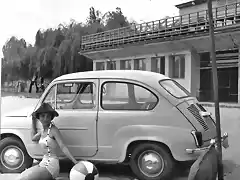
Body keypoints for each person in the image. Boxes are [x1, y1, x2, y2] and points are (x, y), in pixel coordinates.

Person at [16, 103, 78, 180]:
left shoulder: (53, 130)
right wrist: (33, 121)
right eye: (42, 116)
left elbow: (63, 146)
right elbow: (33, 138)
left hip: (51, 165)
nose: (45, 119)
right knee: (22, 176)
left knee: (24, 178)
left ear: (51, 118)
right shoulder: (42, 131)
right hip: (43, 163)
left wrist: (75, 162)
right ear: (38, 117)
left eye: (48, 116)